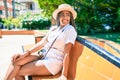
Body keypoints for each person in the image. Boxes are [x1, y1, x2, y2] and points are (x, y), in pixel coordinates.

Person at [4, 4, 77, 80]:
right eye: (62, 14)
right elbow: (42, 43)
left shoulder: (70, 30)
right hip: (43, 56)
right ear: (58, 17)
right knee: (15, 62)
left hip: (53, 63)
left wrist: (64, 75)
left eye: (67, 15)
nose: (65, 17)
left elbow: (66, 53)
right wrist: (26, 53)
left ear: (70, 17)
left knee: (17, 71)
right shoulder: (54, 29)